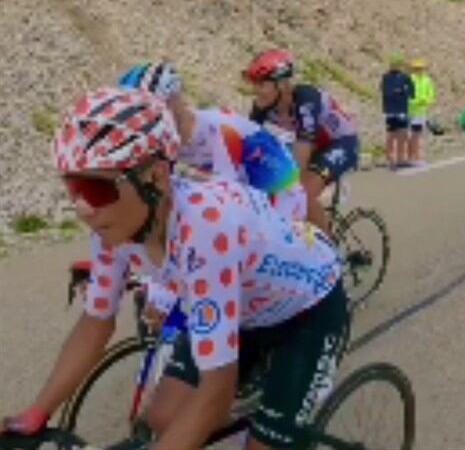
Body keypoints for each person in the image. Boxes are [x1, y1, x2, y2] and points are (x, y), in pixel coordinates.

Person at [1, 88, 348, 450]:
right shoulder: (112, 228)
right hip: (241, 306)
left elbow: (216, 387)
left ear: (156, 177)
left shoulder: (206, 229)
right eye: (73, 187)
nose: (83, 208)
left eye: (97, 189)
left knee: (253, 438)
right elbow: (95, 322)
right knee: (163, 418)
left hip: (307, 309)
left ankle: (275, 428)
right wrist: (36, 413)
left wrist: (209, 410)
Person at [119, 62, 307, 222]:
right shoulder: (167, 138)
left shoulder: (219, 129)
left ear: (174, 101)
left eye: (152, 112)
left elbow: (228, 197)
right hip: (249, 192)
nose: (147, 124)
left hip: (281, 195)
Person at [243, 49, 360, 234]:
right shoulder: (262, 105)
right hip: (314, 145)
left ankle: (328, 249)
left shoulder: (306, 99)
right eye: (255, 84)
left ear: (282, 85)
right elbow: (247, 143)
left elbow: (304, 145)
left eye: (262, 84)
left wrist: (288, 184)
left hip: (341, 143)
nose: (256, 90)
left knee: (301, 194)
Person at [380, 54, 414, 169]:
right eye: (393, 64)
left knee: (402, 134)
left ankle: (400, 158)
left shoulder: (405, 77)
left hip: (401, 109)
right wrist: (399, 91)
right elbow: (385, 91)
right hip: (391, 110)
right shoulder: (386, 77)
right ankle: (390, 158)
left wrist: (403, 91)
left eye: (397, 64)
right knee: (392, 134)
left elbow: (412, 92)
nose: (395, 66)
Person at [407, 58, 436, 165]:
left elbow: (431, 95)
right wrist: (415, 102)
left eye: (420, 68)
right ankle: (411, 157)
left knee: (416, 135)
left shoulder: (427, 80)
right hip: (409, 111)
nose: (419, 70)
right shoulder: (409, 80)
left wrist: (426, 101)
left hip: (420, 113)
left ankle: (415, 157)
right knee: (410, 136)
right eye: (416, 68)